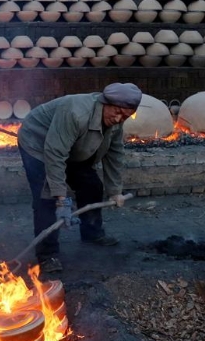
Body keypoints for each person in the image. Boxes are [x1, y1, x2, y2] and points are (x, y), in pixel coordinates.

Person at [17, 83, 142, 274]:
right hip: (38, 144)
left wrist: (115, 190)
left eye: (124, 116)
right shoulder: (76, 113)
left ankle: (92, 233)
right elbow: (55, 154)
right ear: (104, 102)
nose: (118, 119)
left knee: (91, 185)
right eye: (116, 112)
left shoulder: (117, 120)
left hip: (72, 145)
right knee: (46, 198)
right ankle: (47, 254)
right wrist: (61, 200)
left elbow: (115, 152)